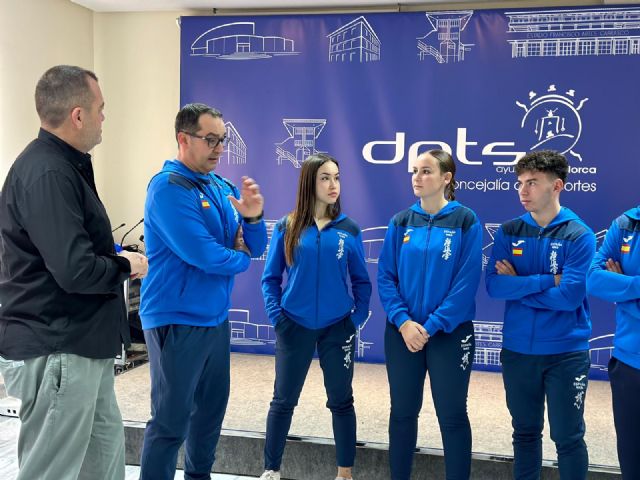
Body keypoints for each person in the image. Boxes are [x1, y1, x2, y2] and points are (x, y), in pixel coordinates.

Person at [0, 65, 148, 480]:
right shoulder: (47, 172)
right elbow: (74, 270)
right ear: (78, 115)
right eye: (100, 108)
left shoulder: (65, 167)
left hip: (81, 346)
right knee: (52, 472)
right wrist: (126, 264)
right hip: (58, 347)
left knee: (103, 467)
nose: (104, 117)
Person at [138, 103, 267, 480]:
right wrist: (240, 255)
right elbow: (205, 255)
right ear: (183, 139)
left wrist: (253, 218)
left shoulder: (221, 186)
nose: (220, 148)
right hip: (175, 320)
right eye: (210, 139)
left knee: (209, 418)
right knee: (170, 423)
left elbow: (255, 245)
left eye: (222, 140)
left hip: (215, 320)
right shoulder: (168, 188)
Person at [259, 154, 372, 480]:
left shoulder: (349, 229)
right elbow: (270, 278)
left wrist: (354, 321)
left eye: (336, 177)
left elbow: (362, 282)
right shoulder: (288, 226)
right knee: (283, 401)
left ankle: (344, 474)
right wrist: (278, 318)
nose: (333, 184)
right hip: (294, 325)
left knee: (341, 401)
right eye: (325, 178)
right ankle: (271, 470)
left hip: (338, 328)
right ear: (310, 182)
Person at [486, 150, 595, 480]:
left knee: (568, 438)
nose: (523, 190)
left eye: (532, 182)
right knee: (524, 434)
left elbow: (569, 297)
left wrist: (519, 285)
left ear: (556, 186)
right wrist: (546, 280)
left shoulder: (579, 234)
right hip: (518, 350)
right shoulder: (509, 230)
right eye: (520, 183)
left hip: (566, 353)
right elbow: (495, 286)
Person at [377, 149, 482, 480]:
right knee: (402, 414)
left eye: (426, 171)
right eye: (415, 171)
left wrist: (431, 326)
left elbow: (466, 283)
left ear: (446, 178)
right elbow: (386, 276)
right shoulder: (401, 221)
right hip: (402, 333)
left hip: (449, 333)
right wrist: (404, 322)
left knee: (452, 416)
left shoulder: (465, 220)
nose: (417, 178)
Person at [587, 206, 640, 479]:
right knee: (632, 463)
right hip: (629, 364)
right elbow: (593, 279)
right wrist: (635, 288)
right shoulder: (627, 223)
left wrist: (622, 288)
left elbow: (609, 285)